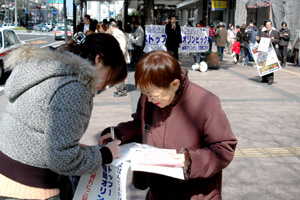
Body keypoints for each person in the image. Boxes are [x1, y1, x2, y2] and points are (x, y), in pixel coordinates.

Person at [0, 33, 126, 199]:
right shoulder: (75, 87)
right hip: (32, 187)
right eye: (110, 77)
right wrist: (105, 155)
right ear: (99, 59)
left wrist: (76, 147)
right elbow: (62, 159)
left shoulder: (44, 68)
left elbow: (38, 128)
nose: (105, 86)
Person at [100, 50, 237, 200]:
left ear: (174, 84)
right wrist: (118, 134)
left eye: (154, 95)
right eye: (145, 93)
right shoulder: (149, 98)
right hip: (158, 191)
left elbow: (223, 148)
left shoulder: (206, 102)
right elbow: (140, 124)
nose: (150, 99)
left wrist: (190, 161)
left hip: (194, 194)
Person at [108, 21, 130, 97]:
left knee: (118, 74)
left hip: (119, 57)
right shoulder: (117, 33)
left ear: (111, 27)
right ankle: (120, 90)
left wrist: (118, 56)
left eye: (109, 27)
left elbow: (122, 46)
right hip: (119, 57)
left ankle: (121, 91)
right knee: (118, 74)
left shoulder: (118, 33)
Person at [257, 19, 280, 85]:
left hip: (271, 52)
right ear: (265, 26)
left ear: (271, 25)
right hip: (264, 51)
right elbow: (261, 41)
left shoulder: (275, 32)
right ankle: (264, 78)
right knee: (264, 65)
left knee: (270, 65)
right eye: (267, 25)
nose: (268, 26)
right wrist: (258, 40)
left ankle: (270, 79)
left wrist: (273, 40)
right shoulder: (263, 32)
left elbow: (278, 41)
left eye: (269, 25)